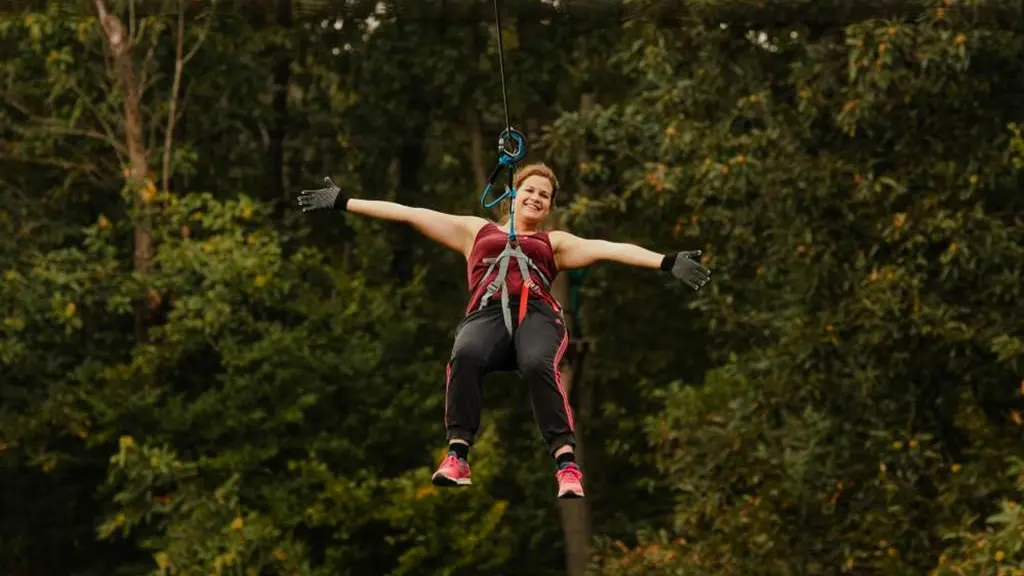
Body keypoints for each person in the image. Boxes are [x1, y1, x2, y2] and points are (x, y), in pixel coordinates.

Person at [297, 162, 710, 499]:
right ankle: (458, 455)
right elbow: (409, 212)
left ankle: (566, 464)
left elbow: (611, 248)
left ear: (548, 207)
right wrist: (343, 201)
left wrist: (666, 261)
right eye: (529, 190)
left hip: (538, 318)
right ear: (513, 195)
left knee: (535, 364)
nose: (535, 198)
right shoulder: (474, 231)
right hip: (487, 316)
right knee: (465, 354)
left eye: (543, 196)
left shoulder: (556, 242)